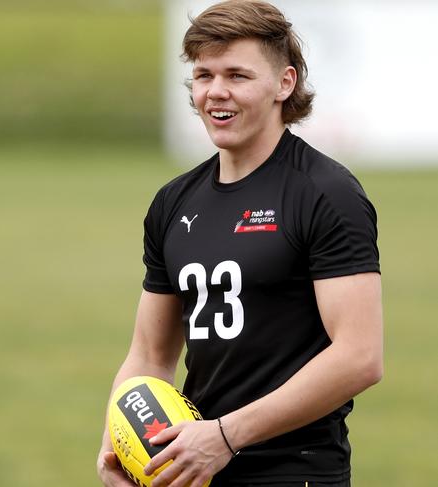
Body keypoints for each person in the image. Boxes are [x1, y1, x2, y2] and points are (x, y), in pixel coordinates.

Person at [96, 1, 383, 486]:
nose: (216, 91)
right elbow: (149, 355)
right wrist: (119, 442)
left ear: (284, 84)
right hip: (193, 470)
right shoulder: (173, 202)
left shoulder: (326, 193)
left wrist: (225, 437)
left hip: (296, 473)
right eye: (204, 74)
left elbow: (359, 356)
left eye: (237, 75)